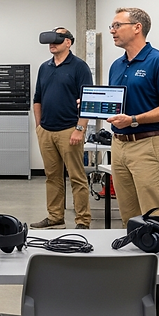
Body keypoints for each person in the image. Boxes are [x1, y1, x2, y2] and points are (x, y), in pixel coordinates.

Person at [106, 7, 159, 313]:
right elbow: (118, 104)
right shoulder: (117, 65)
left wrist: (135, 119)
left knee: (155, 215)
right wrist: (93, 105)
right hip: (120, 145)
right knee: (130, 217)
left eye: (117, 25)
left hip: (147, 144)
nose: (112, 30)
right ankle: (137, 280)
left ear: (137, 27)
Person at [31, 28, 94, 230]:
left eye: (57, 40)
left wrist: (80, 129)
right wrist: (39, 126)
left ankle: (82, 220)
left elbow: (88, 101)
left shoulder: (79, 67)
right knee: (52, 177)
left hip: (69, 129)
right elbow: (37, 99)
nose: (52, 44)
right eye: (50, 41)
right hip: (46, 131)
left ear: (68, 42)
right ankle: (55, 216)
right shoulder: (44, 67)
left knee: (77, 177)